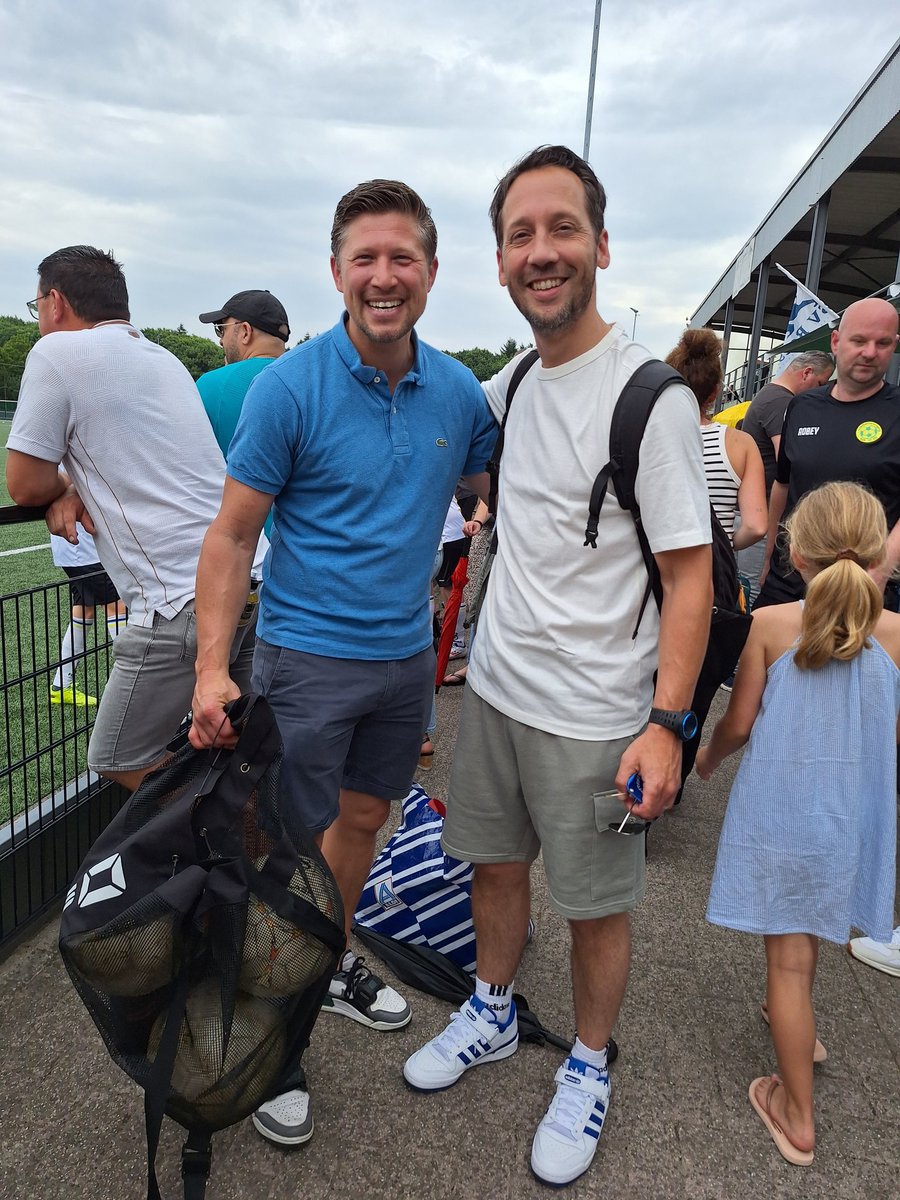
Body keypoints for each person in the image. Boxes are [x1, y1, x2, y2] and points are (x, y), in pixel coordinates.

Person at [403, 145, 712, 1188]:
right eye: (521, 235)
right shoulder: (519, 376)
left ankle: (587, 1062)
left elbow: (691, 577)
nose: (542, 252)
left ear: (602, 246)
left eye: (561, 229)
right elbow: (434, 417)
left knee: (595, 908)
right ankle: (490, 1009)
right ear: (498, 260)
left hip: (596, 715)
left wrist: (665, 724)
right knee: (492, 866)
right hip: (496, 687)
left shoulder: (650, 397)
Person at [187, 179, 497, 1147]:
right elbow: (232, 538)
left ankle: (320, 966)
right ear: (335, 272)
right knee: (285, 846)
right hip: (307, 661)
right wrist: (209, 670)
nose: (384, 275)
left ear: (433, 273)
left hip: (404, 664)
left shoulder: (455, 389)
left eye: (403, 257)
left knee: (362, 825)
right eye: (364, 257)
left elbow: (507, 495)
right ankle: (272, 1036)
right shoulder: (290, 385)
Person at [5, 245, 264, 792]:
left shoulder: (57, 355)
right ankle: (242, 854)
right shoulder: (161, 358)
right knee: (232, 741)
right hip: (247, 579)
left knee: (119, 755)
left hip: (179, 594)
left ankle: (199, 848)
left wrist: (65, 486)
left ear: (55, 303)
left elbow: (25, 483)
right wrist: (78, 484)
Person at [695, 481, 900, 1166]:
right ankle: (799, 1032)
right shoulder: (897, 634)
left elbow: (741, 722)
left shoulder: (774, 624)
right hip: (853, 817)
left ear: (798, 554)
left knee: (785, 955)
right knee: (808, 935)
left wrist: (706, 760)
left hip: (782, 814)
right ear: (879, 555)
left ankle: (798, 1113)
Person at [756, 297, 900, 611]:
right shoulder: (802, 405)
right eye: (859, 340)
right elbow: (783, 485)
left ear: (894, 345)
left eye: (883, 343)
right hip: (789, 582)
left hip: (866, 590)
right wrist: (768, 556)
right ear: (836, 341)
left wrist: (880, 572)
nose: (870, 352)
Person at [738, 351, 833, 601]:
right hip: (766, 512)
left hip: (760, 509)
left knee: (750, 585)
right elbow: (790, 460)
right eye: (822, 383)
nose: (821, 391)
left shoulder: (768, 396)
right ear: (807, 373)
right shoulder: (781, 402)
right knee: (756, 586)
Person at [665, 327, 767, 548]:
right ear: (715, 391)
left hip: (658, 569)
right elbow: (756, 527)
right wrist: (725, 545)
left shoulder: (649, 437)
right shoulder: (740, 443)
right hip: (716, 572)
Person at [196, 289, 290, 455]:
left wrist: (226, 376)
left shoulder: (211, 384)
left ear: (246, 332)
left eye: (221, 329)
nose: (220, 340)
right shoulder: (311, 385)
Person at [49, 525, 126, 707]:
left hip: (79, 548)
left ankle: (61, 685)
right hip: (83, 550)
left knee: (84, 609)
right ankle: (137, 681)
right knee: (117, 606)